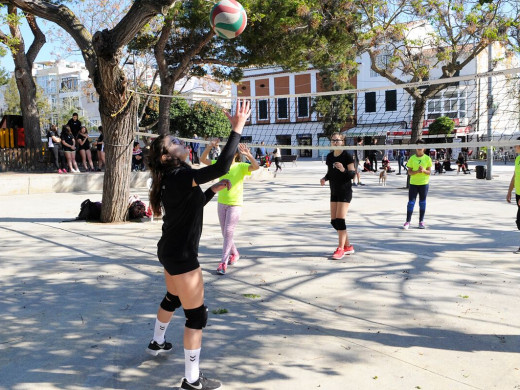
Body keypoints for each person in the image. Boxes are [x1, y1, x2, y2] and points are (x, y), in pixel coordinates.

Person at [145, 100, 250, 390]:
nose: (179, 142)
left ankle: (157, 341)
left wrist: (211, 191)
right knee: (196, 315)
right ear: (167, 156)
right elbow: (221, 165)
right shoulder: (181, 175)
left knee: (173, 298)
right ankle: (191, 381)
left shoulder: (170, 178)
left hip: (168, 250)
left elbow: (188, 207)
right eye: (173, 142)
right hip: (181, 255)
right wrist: (237, 129)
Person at [200, 141, 259, 275]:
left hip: (235, 203)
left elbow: (256, 166)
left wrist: (248, 155)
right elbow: (203, 160)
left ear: (236, 155)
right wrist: (209, 147)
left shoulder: (241, 166)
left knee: (228, 232)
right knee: (226, 233)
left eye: (231, 153)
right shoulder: (219, 165)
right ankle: (235, 253)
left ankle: (223, 263)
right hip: (221, 202)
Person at [320, 132, 356, 260]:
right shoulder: (330, 156)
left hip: (345, 191)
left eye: (338, 140)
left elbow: (352, 175)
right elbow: (330, 173)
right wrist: (325, 178)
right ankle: (348, 246)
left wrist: (343, 170)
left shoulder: (347, 155)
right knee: (334, 221)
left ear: (342, 142)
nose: (335, 142)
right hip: (334, 190)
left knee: (340, 220)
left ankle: (341, 249)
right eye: (333, 140)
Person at [403, 139, 432, 230]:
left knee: (422, 202)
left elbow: (429, 172)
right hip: (413, 183)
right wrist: (417, 171)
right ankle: (408, 222)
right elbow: (409, 172)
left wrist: (423, 170)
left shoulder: (427, 158)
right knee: (411, 202)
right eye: (417, 146)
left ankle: (421, 222)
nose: (419, 148)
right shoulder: (412, 158)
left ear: (424, 148)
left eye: (421, 147)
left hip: (424, 183)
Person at [506, 138, 520, 253]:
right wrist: (509, 191)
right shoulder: (518, 159)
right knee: (519, 222)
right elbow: (515, 176)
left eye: (516, 145)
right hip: (518, 194)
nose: (514, 147)